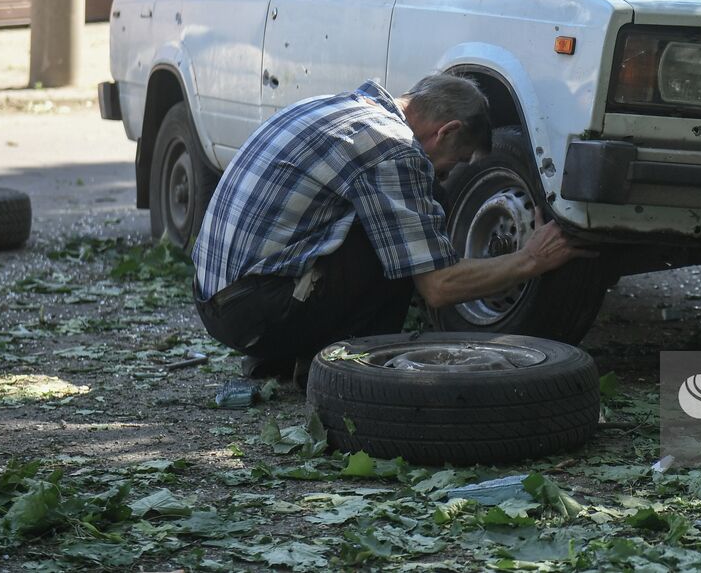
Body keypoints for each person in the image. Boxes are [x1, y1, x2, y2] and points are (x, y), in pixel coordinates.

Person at [190, 74, 593, 378]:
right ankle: (345, 373)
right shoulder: (392, 145)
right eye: (458, 159)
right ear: (447, 130)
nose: (452, 173)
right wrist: (531, 259)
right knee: (403, 246)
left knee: (403, 222)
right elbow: (438, 287)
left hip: (218, 299)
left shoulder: (338, 106)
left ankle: (288, 355)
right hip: (250, 314)